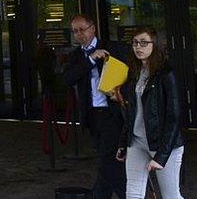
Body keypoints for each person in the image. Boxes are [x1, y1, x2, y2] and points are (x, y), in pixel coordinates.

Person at [114, 28, 185, 199]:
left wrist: (161, 156)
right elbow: (131, 114)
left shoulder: (166, 74)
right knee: (133, 194)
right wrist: (123, 143)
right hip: (137, 142)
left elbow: (174, 117)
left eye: (144, 43)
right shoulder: (134, 73)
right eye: (135, 43)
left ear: (155, 45)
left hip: (163, 144)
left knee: (171, 196)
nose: (139, 47)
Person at [62, 14, 128, 199]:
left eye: (82, 29)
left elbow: (130, 74)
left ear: (93, 28)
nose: (79, 34)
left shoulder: (113, 48)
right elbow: (67, 79)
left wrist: (122, 93)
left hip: (112, 113)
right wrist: (90, 60)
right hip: (92, 115)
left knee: (108, 159)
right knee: (106, 159)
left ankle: (124, 195)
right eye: (75, 31)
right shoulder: (76, 56)